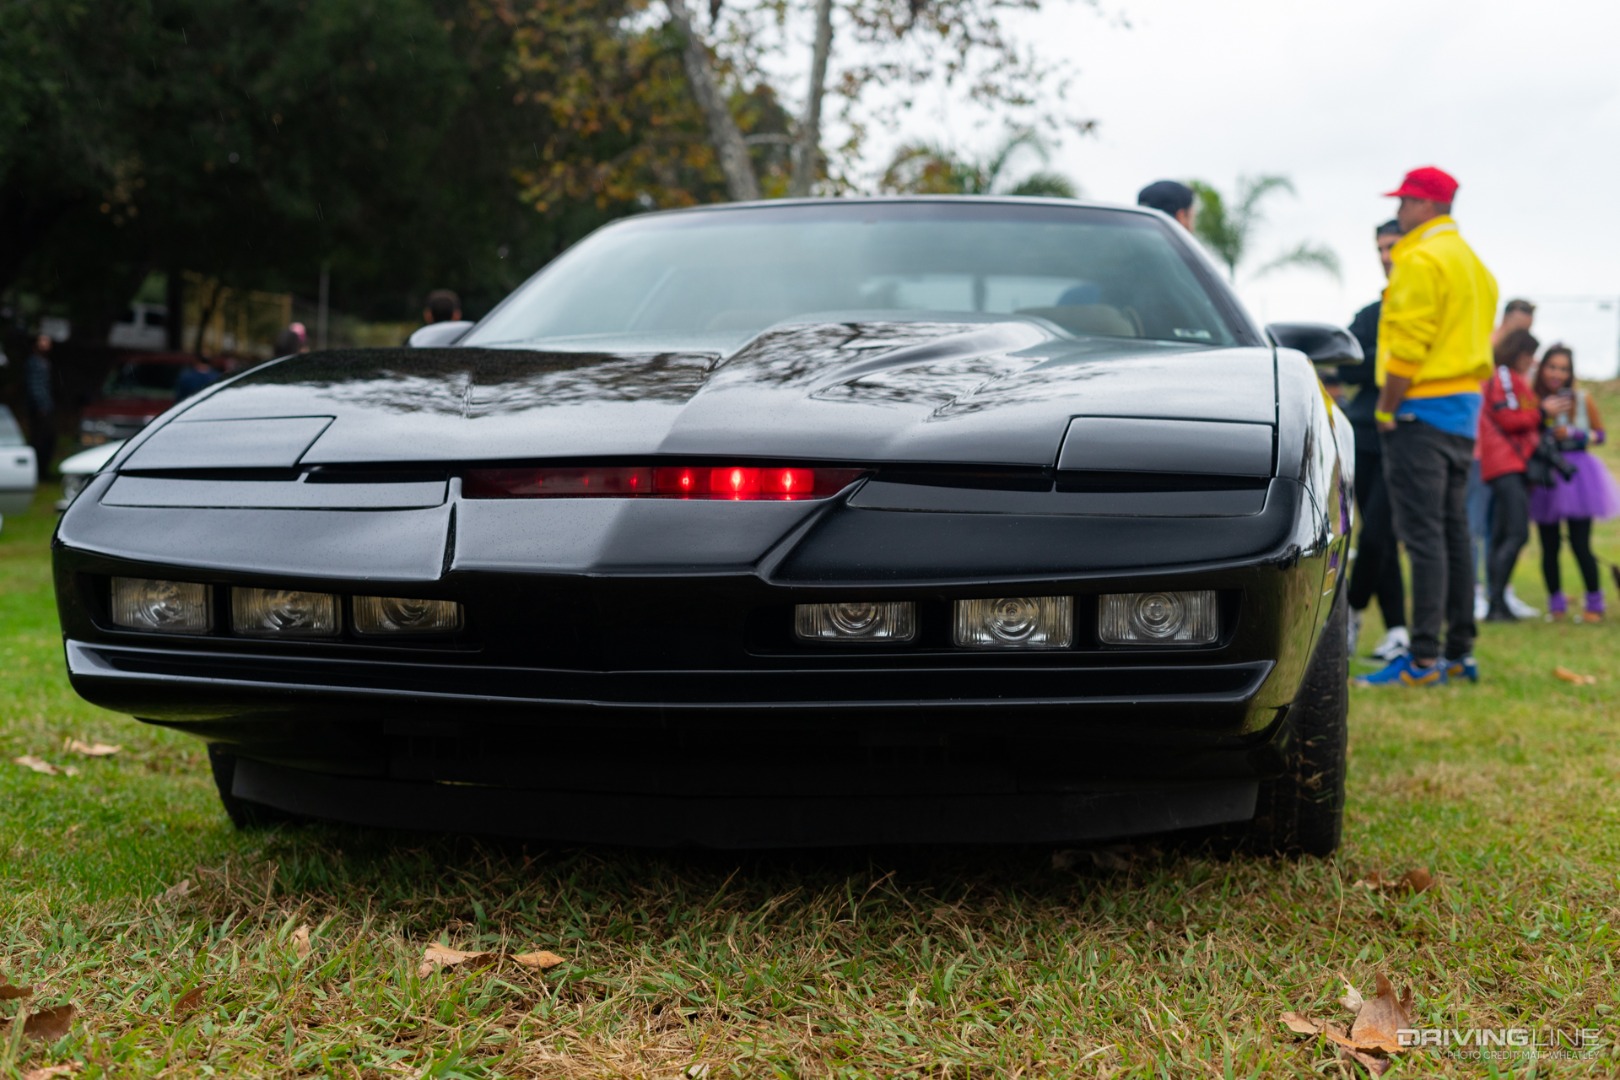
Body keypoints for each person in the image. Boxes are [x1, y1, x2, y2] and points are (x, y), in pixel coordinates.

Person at [1356, 166, 1497, 688]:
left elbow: (1408, 345)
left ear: (1426, 205)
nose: (1399, 211)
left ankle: (1421, 660)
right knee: (1454, 532)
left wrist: (1386, 408)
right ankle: (1459, 652)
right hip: (1463, 411)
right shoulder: (1475, 264)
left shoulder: (1418, 258)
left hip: (1420, 408)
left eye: (1404, 201)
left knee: (1423, 537)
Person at [1340, 220, 1409, 661]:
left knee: (1379, 536)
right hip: (1363, 437)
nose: (1386, 256)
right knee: (1376, 537)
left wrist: (1377, 363)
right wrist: (1389, 363)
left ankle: (1350, 610)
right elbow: (1346, 363)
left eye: (1393, 247)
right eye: (1380, 248)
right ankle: (1398, 630)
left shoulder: (1419, 308)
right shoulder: (1370, 313)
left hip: (1408, 436)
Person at [1530, 344, 1620, 621]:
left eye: (1563, 369)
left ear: (1570, 373)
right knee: (1549, 545)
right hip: (1547, 473)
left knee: (1581, 543)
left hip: (1578, 474)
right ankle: (1556, 604)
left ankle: (1594, 604)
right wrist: (1541, 417)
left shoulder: (1582, 399)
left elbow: (1600, 434)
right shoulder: (1533, 400)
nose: (1557, 374)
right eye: (1552, 367)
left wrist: (1576, 435)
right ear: (1542, 368)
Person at [1469, 298, 1540, 619]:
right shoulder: (1497, 367)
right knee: (1491, 527)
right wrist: (1538, 413)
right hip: (1492, 457)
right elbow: (1509, 415)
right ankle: (1483, 596)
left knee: (1500, 530)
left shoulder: (1512, 373)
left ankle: (1499, 597)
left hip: (1504, 457)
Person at [23, 332, 56, 478]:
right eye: (43, 341)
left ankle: (42, 470)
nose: (47, 344)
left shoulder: (44, 361)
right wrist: (41, 406)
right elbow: (35, 386)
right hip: (40, 409)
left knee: (47, 439)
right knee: (40, 440)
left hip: (45, 406)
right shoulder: (34, 362)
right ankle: (38, 471)